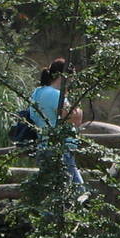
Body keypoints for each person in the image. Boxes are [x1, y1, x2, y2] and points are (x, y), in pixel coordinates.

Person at [30, 58, 85, 194]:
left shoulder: (37, 93)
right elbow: (75, 119)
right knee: (77, 192)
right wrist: (78, 108)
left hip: (44, 146)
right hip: (60, 149)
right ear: (63, 76)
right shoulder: (56, 95)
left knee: (52, 192)